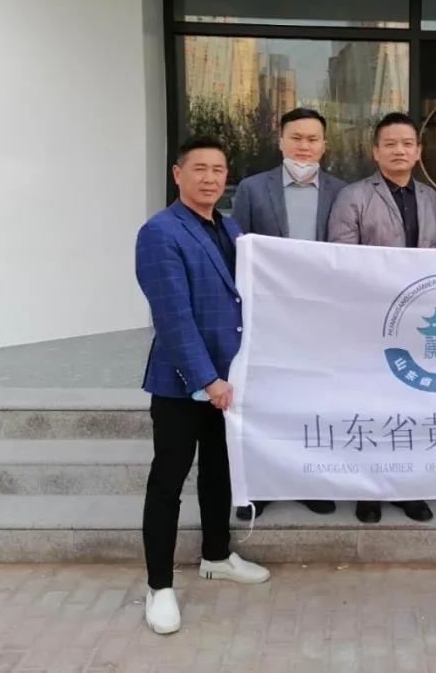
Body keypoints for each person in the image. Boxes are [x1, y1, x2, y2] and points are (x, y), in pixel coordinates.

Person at [135, 136, 270, 636]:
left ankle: (216, 555)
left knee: (219, 472)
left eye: (218, 169)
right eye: (199, 169)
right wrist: (207, 379)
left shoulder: (230, 229)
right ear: (178, 174)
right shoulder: (159, 232)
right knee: (168, 482)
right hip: (182, 383)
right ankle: (159, 587)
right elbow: (172, 316)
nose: (210, 178)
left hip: (228, 381)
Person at [230, 106, 345, 519]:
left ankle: (307, 481)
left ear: (324, 145)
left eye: (312, 139)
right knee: (267, 400)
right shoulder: (252, 189)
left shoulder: (340, 191)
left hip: (320, 318)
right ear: (280, 141)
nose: (304, 146)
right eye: (296, 137)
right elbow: (238, 248)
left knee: (312, 400)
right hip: (268, 316)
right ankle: (260, 485)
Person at [328, 111, 436, 524]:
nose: (399, 151)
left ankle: (407, 487)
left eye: (407, 144)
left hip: (419, 321)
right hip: (369, 319)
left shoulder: (433, 199)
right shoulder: (353, 196)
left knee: (413, 405)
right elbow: (341, 259)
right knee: (371, 405)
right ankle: (368, 489)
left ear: (418, 151)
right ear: (375, 151)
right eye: (390, 144)